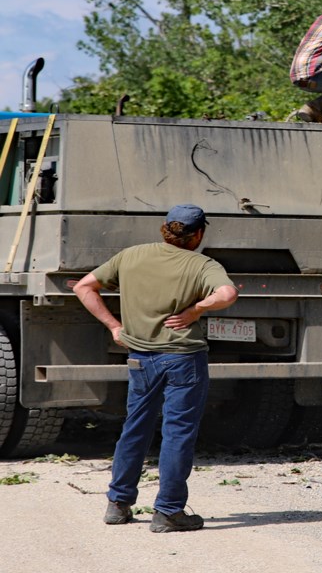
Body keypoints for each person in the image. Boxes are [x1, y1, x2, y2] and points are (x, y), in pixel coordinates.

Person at [73, 204, 239, 533]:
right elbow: (228, 293)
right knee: (177, 434)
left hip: (140, 358)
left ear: (165, 228)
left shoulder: (131, 256)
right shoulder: (202, 264)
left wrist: (113, 326)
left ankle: (118, 505)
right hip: (183, 360)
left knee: (135, 427)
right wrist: (196, 310)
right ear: (199, 234)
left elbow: (83, 287)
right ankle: (168, 512)